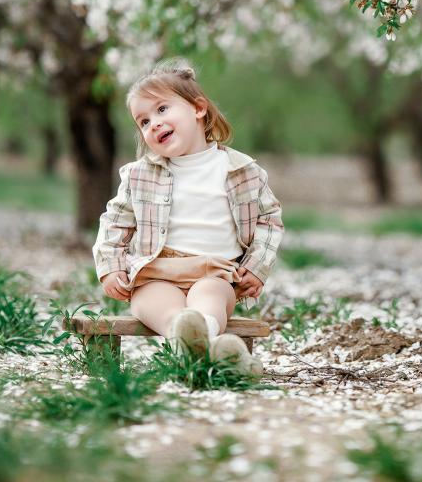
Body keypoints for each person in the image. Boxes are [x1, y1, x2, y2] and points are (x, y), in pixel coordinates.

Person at [92, 58, 283, 375]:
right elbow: (114, 223)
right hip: (157, 271)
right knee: (157, 305)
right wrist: (110, 268)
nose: (153, 123)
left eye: (162, 110)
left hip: (215, 271)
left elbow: (269, 221)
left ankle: (202, 335)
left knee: (210, 299)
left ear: (198, 108)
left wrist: (255, 268)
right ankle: (200, 345)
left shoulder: (241, 171)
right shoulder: (140, 175)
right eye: (143, 121)